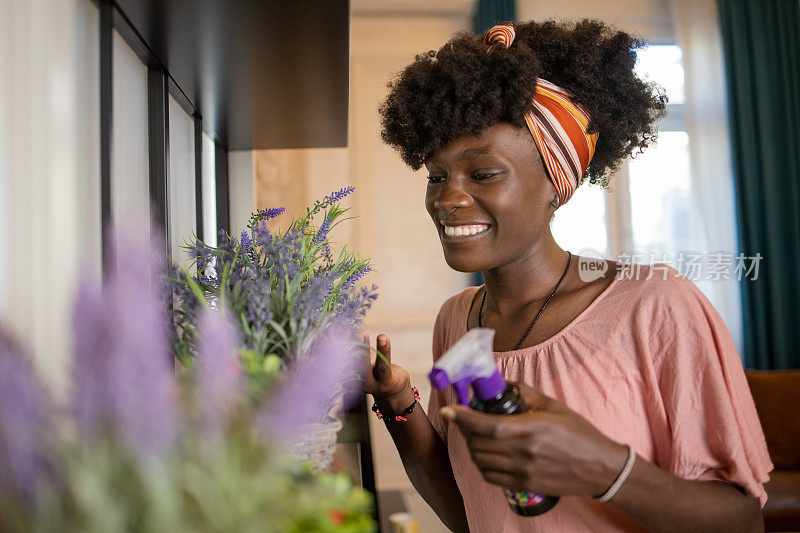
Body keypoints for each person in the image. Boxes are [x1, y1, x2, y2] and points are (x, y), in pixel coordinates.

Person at [363, 19, 772, 533]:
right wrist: (397, 399)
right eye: (438, 176)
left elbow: (741, 522)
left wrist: (602, 467)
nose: (447, 199)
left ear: (558, 185)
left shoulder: (656, 304)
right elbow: (473, 512)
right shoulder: (457, 322)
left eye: (483, 174)